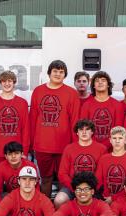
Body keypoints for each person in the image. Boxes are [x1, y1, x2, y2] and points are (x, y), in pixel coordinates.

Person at [30, 60, 80, 197]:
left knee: (64, 179)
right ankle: (46, 210)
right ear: (49, 73)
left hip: (64, 145)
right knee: (45, 179)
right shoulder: (38, 91)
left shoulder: (71, 93)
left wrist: (75, 144)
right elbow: (33, 118)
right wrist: (30, 143)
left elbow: (75, 120)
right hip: (42, 145)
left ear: (65, 75)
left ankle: (62, 211)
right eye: (55, 71)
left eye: (61, 72)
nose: (58, 74)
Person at [0, 70, 30, 179]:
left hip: (16, 152)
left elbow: (26, 129)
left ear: (14, 83)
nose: (7, 84)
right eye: (4, 81)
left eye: (9, 81)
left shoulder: (22, 103)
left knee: (16, 182)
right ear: (0, 83)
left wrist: (24, 151)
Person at [55, 119, 107, 208]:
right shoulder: (69, 148)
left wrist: (90, 189)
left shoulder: (101, 149)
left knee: (103, 204)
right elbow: (62, 173)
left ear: (92, 132)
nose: (84, 132)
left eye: (87, 129)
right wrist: (75, 188)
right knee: (59, 200)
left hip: (93, 187)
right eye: (81, 129)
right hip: (72, 186)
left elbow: (102, 173)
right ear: (77, 133)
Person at [95, 126, 126, 204]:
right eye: (114, 138)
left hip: (125, 200)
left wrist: (113, 198)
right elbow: (97, 182)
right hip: (105, 199)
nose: (117, 141)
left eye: (120, 138)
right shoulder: (103, 159)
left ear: (125, 140)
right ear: (110, 140)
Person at [79, 71, 124, 149]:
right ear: (93, 86)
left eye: (103, 80)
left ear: (108, 85)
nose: (100, 82)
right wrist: (95, 146)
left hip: (112, 148)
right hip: (91, 147)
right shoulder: (86, 105)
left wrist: (106, 146)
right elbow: (84, 129)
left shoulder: (117, 105)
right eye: (97, 81)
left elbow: (118, 130)